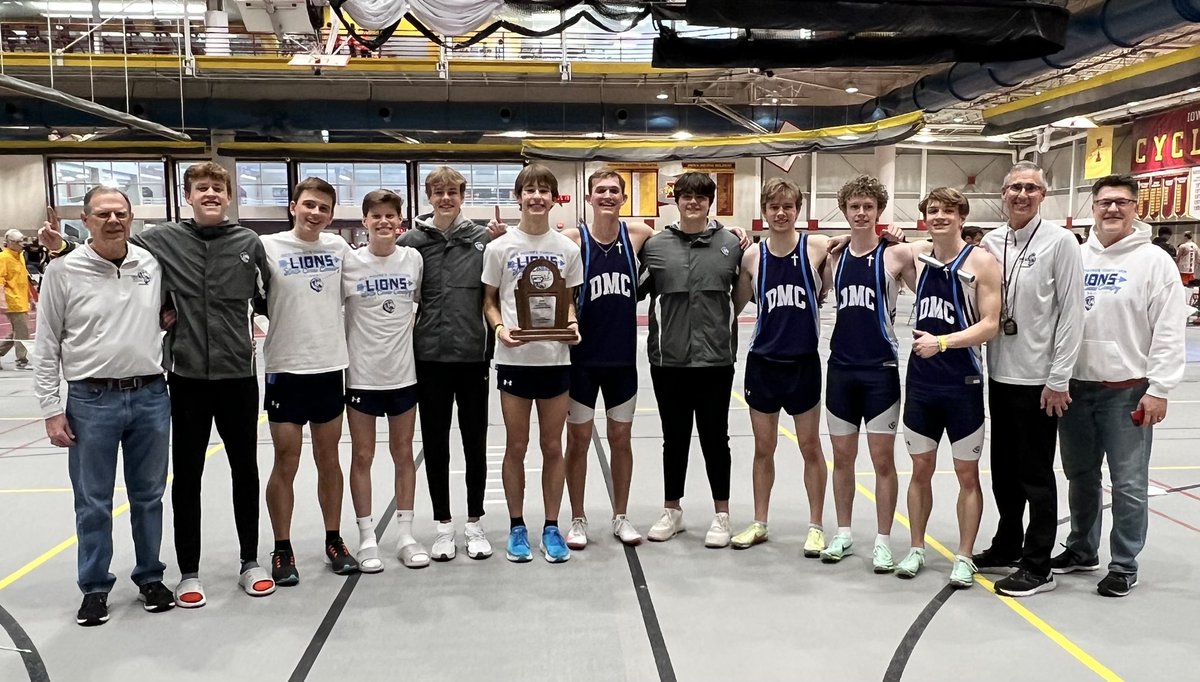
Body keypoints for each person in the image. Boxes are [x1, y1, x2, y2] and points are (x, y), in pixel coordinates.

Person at [42, 162, 277, 606]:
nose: (210, 194)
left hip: (239, 379)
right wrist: (63, 246)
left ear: (229, 196)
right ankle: (188, 572)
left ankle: (251, 561)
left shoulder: (248, 242)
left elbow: (271, 297)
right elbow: (108, 246)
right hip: (184, 380)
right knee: (186, 478)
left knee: (245, 472)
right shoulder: (161, 241)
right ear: (188, 195)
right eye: (201, 187)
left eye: (218, 188)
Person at [33, 186, 175, 626]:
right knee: (92, 500)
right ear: (86, 219)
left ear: (132, 218)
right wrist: (51, 409)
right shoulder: (64, 270)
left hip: (151, 395)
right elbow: (46, 343)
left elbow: (169, 311)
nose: (113, 221)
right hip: (90, 400)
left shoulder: (151, 264)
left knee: (149, 495)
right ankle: (94, 586)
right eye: (102, 214)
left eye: (120, 213)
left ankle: (150, 576)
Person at [1053, 175, 1188, 597]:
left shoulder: (1154, 261)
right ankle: (1081, 548)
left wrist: (1160, 387)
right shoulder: (1074, 256)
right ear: (1092, 207)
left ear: (1136, 209)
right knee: (1080, 475)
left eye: (1122, 203)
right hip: (1076, 388)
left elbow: (1169, 329)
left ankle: (1124, 563)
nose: (1112, 209)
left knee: (1128, 483)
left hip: (1127, 390)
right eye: (1105, 202)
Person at [974, 160, 1084, 598]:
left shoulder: (1061, 243)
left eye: (1031, 188)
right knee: (1003, 470)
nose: (1021, 195)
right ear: (1003, 194)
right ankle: (1007, 543)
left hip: (1040, 379)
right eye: (1014, 187)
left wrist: (1059, 378)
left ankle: (1038, 565)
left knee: (1036, 474)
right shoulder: (992, 242)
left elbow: (1073, 313)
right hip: (999, 374)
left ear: (1044, 195)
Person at [892, 188, 1001, 588]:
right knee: (920, 470)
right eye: (933, 211)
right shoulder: (915, 256)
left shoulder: (982, 261)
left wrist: (941, 342)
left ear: (961, 216)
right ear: (925, 218)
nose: (940, 216)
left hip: (962, 383)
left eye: (948, 211)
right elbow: (861, 240)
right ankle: (917, 547)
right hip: (921, 384)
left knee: (966, 474)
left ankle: (964, 555)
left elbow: (990, 324)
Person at [481, 163, 583, 563]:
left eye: (545, 190)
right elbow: (489, 300)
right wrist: (499, 328)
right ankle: (517, 526)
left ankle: (552, 527)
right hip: (514, 360)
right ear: (518, 197)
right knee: (517, 446)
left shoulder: (567, 249)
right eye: (530, 190)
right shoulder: (499, 247)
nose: (537, 196)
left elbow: (569, 302)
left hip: (555, 361)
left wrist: (572, 325)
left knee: (551, 445)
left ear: (555, 198)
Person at [260, 177, 357, 584]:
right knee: (287, 460)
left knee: (328, 458)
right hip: (285, 367)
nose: (315, 213)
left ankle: (333, 539)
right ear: (293, 206)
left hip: (329, 367)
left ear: (331, 215)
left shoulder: (339, 249)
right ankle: (282, 547)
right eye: (309, 205)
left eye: (323, 208)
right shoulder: (267, 247)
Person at [641, 172, 744, 548]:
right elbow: (633, 289)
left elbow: (743, 290)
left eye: (701, 196)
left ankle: (722, 515)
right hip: (669, 361)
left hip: (716, 360)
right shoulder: (655, 246)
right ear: (676, 200)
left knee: (717, 438)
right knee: (674, 438)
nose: (693, 202)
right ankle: (673, 510)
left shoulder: (732, 244)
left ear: (710, 202)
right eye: (686, 196)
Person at [728, 178, 830, 553]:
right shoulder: (752, 256)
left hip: (803, 363)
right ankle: (759, 522)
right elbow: (734, 306)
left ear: (798, 210)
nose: (781, 213)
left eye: (788, 206)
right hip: (763, 364)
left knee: (809, 446)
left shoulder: (817, 248)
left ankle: (816, 525)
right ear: (765, 211)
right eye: (774, 207)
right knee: (763, 448)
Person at [398, 166, 493, 561]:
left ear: (463, 194)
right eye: (437, 191)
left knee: (475, 444)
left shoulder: (483, 239)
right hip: (429, 359)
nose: (445, 198)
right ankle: (442, 527)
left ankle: (474, 523)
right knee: (436, 446)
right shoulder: (410, 242)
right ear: (428, 195)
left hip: (472, 358)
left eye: (452, 191)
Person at [561, 170, 654, 549]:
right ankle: (578, 518)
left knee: (621, 439)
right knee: (579, 440)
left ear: (624, 197)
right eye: (601, 190)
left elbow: (688, 237)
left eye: (614, 190)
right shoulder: (571, 239)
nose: (608, 196)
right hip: (581, 360)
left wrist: (733, 231)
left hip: (621, 361)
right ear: (588, 196)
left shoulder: (639, 236)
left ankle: (620, 515)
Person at [821, 176, 908, 570]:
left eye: (868, 207)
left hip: (880, 371)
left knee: (882, 460)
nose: (861, 213)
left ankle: (884, 539)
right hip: (841, 368)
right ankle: (842, 532)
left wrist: (900, 236)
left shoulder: (895, 255)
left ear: (879, 211)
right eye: (854, 206)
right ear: (844, 210)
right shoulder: (833, 256)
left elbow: (935, 256)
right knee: (842, 458)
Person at [344, 190, 427, 571]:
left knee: (403, 454)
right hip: (361, 377)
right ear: (365, 222)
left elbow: (421, 305)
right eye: (375, 216)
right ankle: (365, 537)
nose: (383, 222)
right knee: (362, 455)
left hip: (403, 375)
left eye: (390, 216)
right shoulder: (349, 263)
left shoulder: (413, 259)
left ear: (400, 221)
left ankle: (406, 535)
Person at [0, 228, 33, 370]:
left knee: (17, 331)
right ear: (10, 242)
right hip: (12, 300)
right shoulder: (3, 258)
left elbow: (23, 279)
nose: (22, 244)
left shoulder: (20, 256)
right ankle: (21, 361)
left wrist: (30, 297)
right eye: (19, 242)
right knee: (23, 331)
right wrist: (2, 301)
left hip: (21, 299)